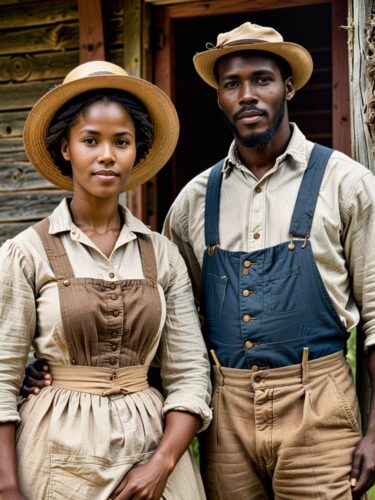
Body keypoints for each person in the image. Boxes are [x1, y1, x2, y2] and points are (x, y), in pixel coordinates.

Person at [22, 22, 375, 499]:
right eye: (231, 84)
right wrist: (50, 365)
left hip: (319, 402)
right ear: (219, 97)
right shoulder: (192, 202)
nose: (247, 94)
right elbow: (166, 327)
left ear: (288, 86)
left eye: (262, 79)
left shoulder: (347, 184)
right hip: (223, 409)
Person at [0, 60, 211, 500]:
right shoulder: (26, 252)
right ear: (65, 149)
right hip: (57, 455)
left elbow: (190, 373)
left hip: (151, 448)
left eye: (122, 141)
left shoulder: (162, 254)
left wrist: (162, 463)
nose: (107, 155)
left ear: (137, 152)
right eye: (90, 140)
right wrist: (6, 487)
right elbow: (1, 376)